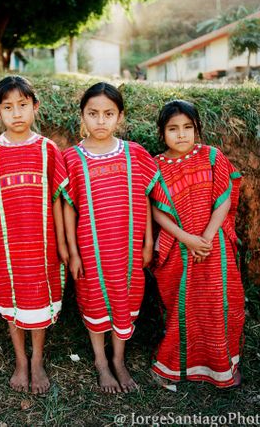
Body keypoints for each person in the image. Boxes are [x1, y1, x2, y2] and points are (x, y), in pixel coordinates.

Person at [0, 75, 69, 394]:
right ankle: (20, 360)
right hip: (6, 247)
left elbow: (57, 201)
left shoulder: (47, 150)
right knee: (11, 301)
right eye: (8, 107)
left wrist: (61, 245)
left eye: (23, 105)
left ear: (35, 107)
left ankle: (37, 360)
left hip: (42, 244)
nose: (16, 113)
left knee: (38, 301)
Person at [62, 82, 159, 393]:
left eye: (108, 113)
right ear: (82, 116)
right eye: (93, 113)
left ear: (120, 117)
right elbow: (68, 208)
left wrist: (146, 243)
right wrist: (73, 252)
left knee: (125, 298)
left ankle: (119, 358)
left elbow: (144, 198)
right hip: (91, 250)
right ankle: (101, 360)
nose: (100, 121)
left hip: (128, 249)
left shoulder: (135, 154)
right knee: (94, 301)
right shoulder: (72, 158)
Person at [150, 100, 244, 388]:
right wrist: (188, 239)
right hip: (179, 248)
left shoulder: (212, 156)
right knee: (185, 306)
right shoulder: (156, 165)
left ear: (197, 129)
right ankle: (179, 365)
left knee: (223, 302)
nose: (181, 135)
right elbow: (156, 210)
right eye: (173, 129)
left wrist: (206, 237)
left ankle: (223, 365)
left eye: (188, 128)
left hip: (215, 247)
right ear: (162, 132)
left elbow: (224, 196)